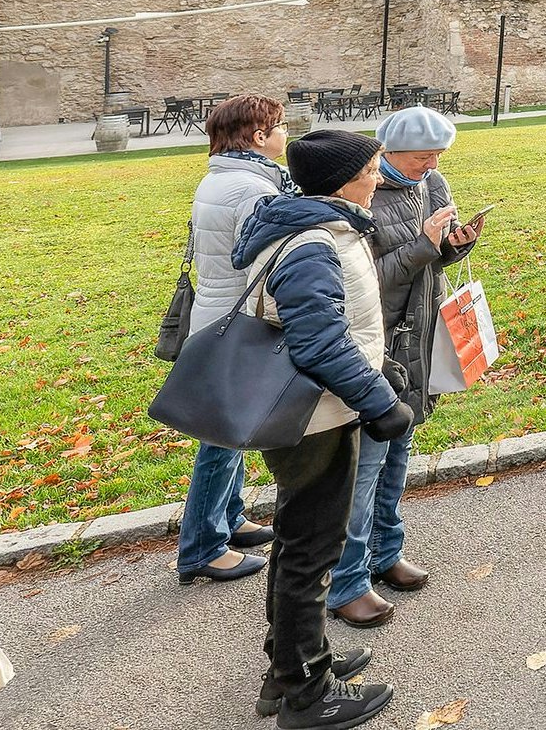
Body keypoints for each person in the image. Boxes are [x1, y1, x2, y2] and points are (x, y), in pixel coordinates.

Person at [235, 129, 410, 728]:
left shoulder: (325, 229)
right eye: (370, 170)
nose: (379, 179)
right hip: (317, 415)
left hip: (324, 409)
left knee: (297, 540)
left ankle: (289, 668)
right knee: (311, 549)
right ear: (342, 181)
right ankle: (305, 696)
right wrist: (378, 398)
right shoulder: (314, 243)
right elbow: (319, 340)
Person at [328, 107, 483, 628]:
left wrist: (454, 246)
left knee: (399, 453)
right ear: (387, 154)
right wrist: (423, 247)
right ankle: (348, 581)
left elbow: (434, 259)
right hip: (379, 344)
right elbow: (366, 280)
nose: (432, 164)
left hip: (420, 334)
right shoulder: (362, 194)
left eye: (438, 155)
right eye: (422, 157)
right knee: (367, 466)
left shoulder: (431, 182)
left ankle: (385, 552)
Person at [175, 96, 292, 588]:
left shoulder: (222, 177)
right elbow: (259, 260)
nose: (287, 134)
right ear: (259, 135)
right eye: (281, 126)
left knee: (232, 429)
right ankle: (203, 547)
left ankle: (230, 516)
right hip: (237, 321)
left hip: (218, 314)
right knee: (222, 439)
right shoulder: (251, 188)